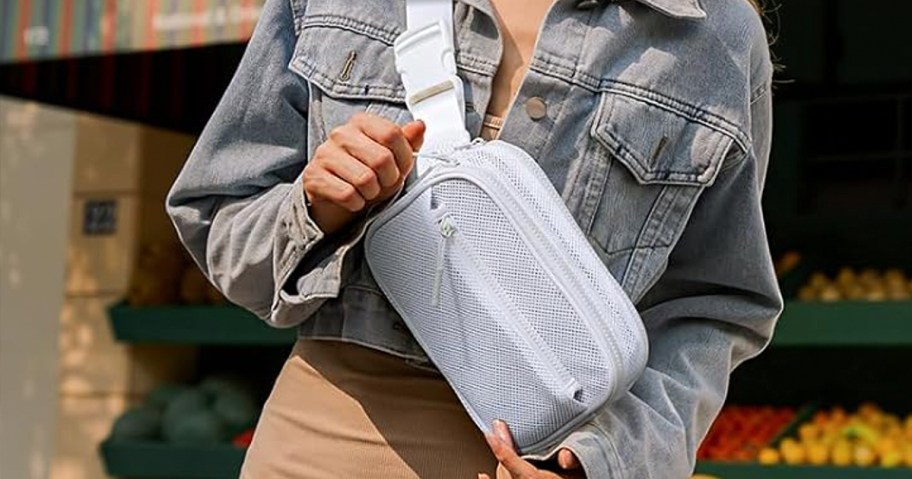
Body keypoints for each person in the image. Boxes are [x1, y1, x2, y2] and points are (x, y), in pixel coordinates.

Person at [167, 0, 781, 477]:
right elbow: (219, 216)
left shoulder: (715, 38)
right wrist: (316, 207)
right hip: (320, 447)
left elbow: (717, 309)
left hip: (552, 455)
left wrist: (610, 462)